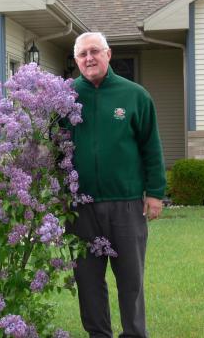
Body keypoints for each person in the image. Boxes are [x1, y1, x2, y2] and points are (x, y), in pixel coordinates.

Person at [66, 32, 166, 338]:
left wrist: (156, 193)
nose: (89, 58)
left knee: (130, 280)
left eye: (95, 51)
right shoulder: (65, 96)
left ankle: (134, 333)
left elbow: (151, 146)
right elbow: (55, 148)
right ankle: (99, 334)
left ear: (108, 54)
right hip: (81, 206)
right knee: (88, 280)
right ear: (76, 61)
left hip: (126, 203)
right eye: (83, 54)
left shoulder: (134, 95)